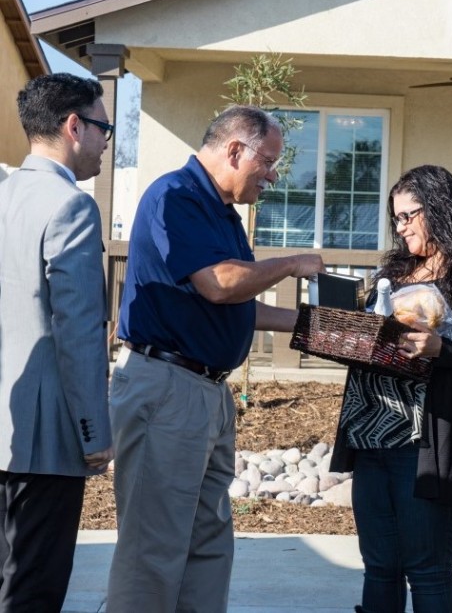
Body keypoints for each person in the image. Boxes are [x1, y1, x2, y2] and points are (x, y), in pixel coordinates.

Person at [106, 105, 325, 613]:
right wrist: (292, 263)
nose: (272, 175)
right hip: (167, 390)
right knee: (153, 551)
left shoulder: (222, 213)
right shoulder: (174, 197)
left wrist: (325, 329)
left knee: (208, 545)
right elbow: (220, 284)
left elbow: (238, 304)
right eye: (268, 161)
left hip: (206, 393)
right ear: (234, 150)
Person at [330, 165, 452, 613]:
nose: (401, 228)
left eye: (410, 216)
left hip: (431, 443)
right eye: (396, 219)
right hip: (372, 435)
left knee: (427, 567)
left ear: (440, 209)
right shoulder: (394, 273)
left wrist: (442, 349)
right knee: (379, 565)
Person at [0, 73, 114, 611]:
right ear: (74, 126)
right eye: (104, 129)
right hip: (45, 441)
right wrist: (94, 432)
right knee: (32, 592)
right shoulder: (70, 206)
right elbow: (79, 331)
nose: (105, 142)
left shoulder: (4, 194)